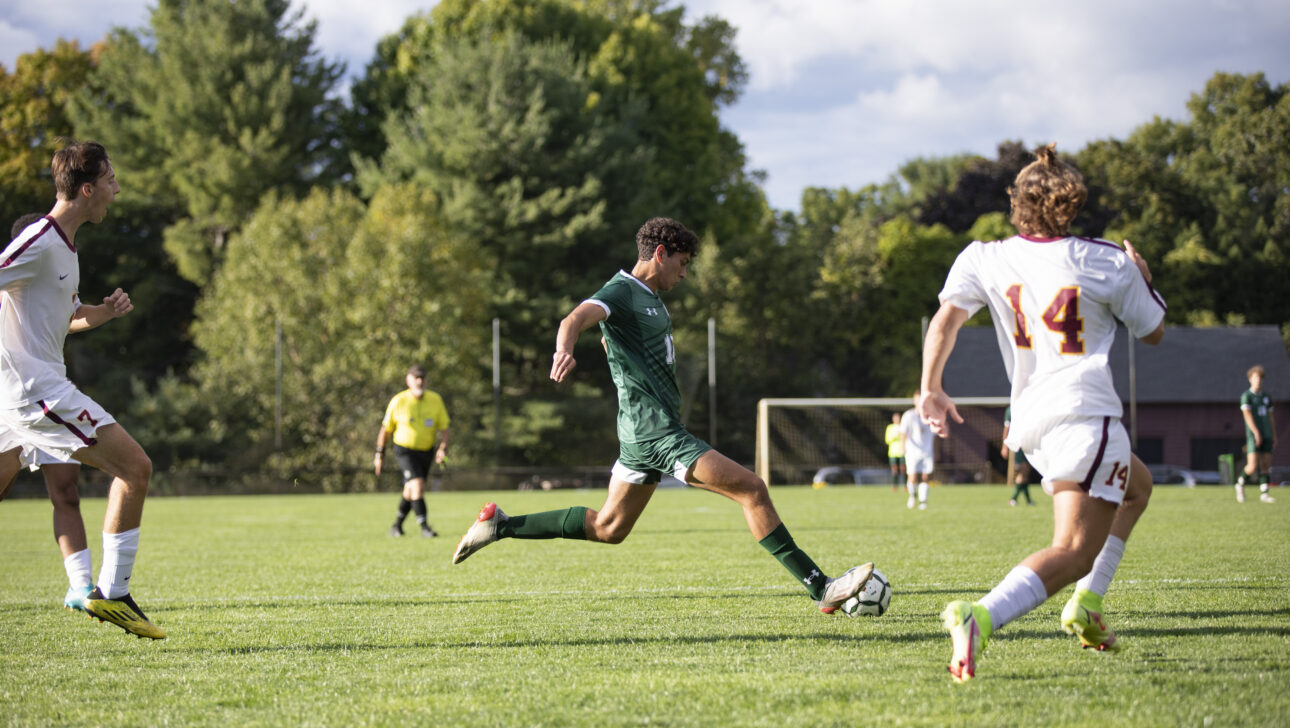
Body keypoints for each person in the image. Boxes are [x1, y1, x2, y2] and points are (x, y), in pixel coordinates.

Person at [450, 217, 874, 613]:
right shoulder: (621, 290)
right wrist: (564, 349)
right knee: (752, 489)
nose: (684, 273)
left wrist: (613, 350)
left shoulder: (650, 299)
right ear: (660, 253)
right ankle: (821, 587)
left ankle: (501, 526)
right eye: (683, 263)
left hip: (643, 433)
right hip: (656, 433)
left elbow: (618, 343)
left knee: (609, 527)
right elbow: (574, 318)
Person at [918, 144, 1166, 682]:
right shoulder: (1106, 260)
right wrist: (1142, 276)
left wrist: (929, 387)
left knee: (1138, 488)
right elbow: (1153, 332)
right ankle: (980, 617)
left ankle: (1087, 605)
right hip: (1085, 415)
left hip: (1033, 424)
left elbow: (945, 322)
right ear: (1072, 203)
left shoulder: (984, 257)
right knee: (1073, 550)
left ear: (1016, 203)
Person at [0, 141, 163, 639]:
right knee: (135, 468)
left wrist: (104, 313)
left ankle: (104, 591)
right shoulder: (40, 238)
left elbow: (68, 316)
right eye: (111, 180)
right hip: (36, 392)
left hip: (28, 393)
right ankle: (112, 593)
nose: (118, 189)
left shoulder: (66, 248)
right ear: (87, 189)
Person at [8, 212, 117, 614]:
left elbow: (71, 316)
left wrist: (104, 311)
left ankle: (80, 586)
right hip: (13, 397)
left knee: (66, 490)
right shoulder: (19, 271)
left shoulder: (58, 266)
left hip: (47, 392)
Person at [374, 364, 450, 537]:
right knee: (417, 485)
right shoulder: (398, 401)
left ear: (426, 380)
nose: (419, 381)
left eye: (422, 378)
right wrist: (379, 454)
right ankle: (425, 528)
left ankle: (396, 526)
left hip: (426, 451)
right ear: (408, 380)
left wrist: (443, 449)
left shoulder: (435, 400)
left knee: (410, 490)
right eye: (416, 378)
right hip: (404, 450)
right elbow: (385, 430)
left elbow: (445, 428)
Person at [1234, 365, 1275, 504]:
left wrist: (1274, 434)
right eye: (1255, 377)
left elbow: (1271, 417)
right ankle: (1239, 484)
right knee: (1252, 466)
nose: (1258, 380)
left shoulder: (1266, 397)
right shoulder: (1247, 396)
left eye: (1260, 378)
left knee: (1266, 465)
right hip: (1253, 435)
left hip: (1267, 433)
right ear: (1250, 379)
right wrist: (1256, 432)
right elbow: (1247, 416)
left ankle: (1264, 494)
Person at [900, 391, 934, 509]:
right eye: (917, 399)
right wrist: (903, 446)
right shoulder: (909, 415)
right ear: (914, 401)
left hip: (927, 451)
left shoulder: (931, 415)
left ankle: (923, 501)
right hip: (912, 451)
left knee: (926, 477)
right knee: (912, 476)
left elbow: (935, 434)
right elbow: (903, 433)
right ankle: (912, 495)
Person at [1001, 406, 1035, 506]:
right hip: (1020, 445)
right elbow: (1007, 428)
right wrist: (1004, 447)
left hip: (1029, 444)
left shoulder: (1029, 406)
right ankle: (1013, 499)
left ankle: (1028, 501)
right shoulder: (1011, 409)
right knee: (1022, 473)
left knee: (1025, 474)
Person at [884, 411, 905, 491]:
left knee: (903, 469)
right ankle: (895, 485)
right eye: (895, 418)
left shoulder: (903, 426)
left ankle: (905, 485)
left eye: (898, 418)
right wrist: (895, 436)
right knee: (894, 469)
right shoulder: (890, 427)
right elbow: (887, 440)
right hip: (893, 452)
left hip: (902, 451)